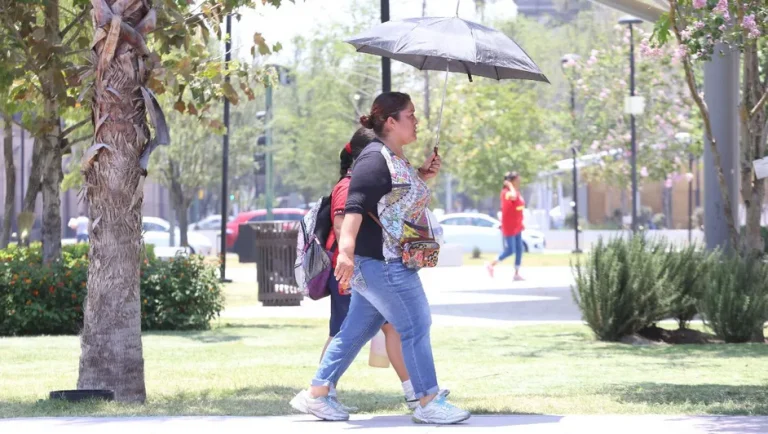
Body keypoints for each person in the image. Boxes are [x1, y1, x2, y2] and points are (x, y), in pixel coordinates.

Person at [290, 92, 470, 424]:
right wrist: (345, 252)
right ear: (390, 121)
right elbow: (354, 209)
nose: (416, 121)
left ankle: (318, 392)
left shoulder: (391, 157)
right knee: (416, 325)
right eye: (411, 115)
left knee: (355, 330)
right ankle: (428, 400)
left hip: (381, 263)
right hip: (386, 264)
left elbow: (390, 195)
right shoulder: (374, 158)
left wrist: (422, 174)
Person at [318, 127, 418, 412]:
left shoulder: (365, 182)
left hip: (366, 271)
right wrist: (350, 268)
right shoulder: (348, 187)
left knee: (392, 330)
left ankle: (415, 391)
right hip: (353, 274)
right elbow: (341, 228)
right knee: (344, 334)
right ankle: (322, 391)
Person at [486, 171, 525, 280]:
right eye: (516, 180)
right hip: (509, 226)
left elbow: (518, 208)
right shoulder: (506, 192)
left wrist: (521, 222)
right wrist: (509, 186)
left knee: (519, 249)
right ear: (511, 181)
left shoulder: (516, 192)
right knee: (510, 250)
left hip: (517, 225)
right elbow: (512, 197)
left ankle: (516, 273)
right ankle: (491, 265)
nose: (519, 181)